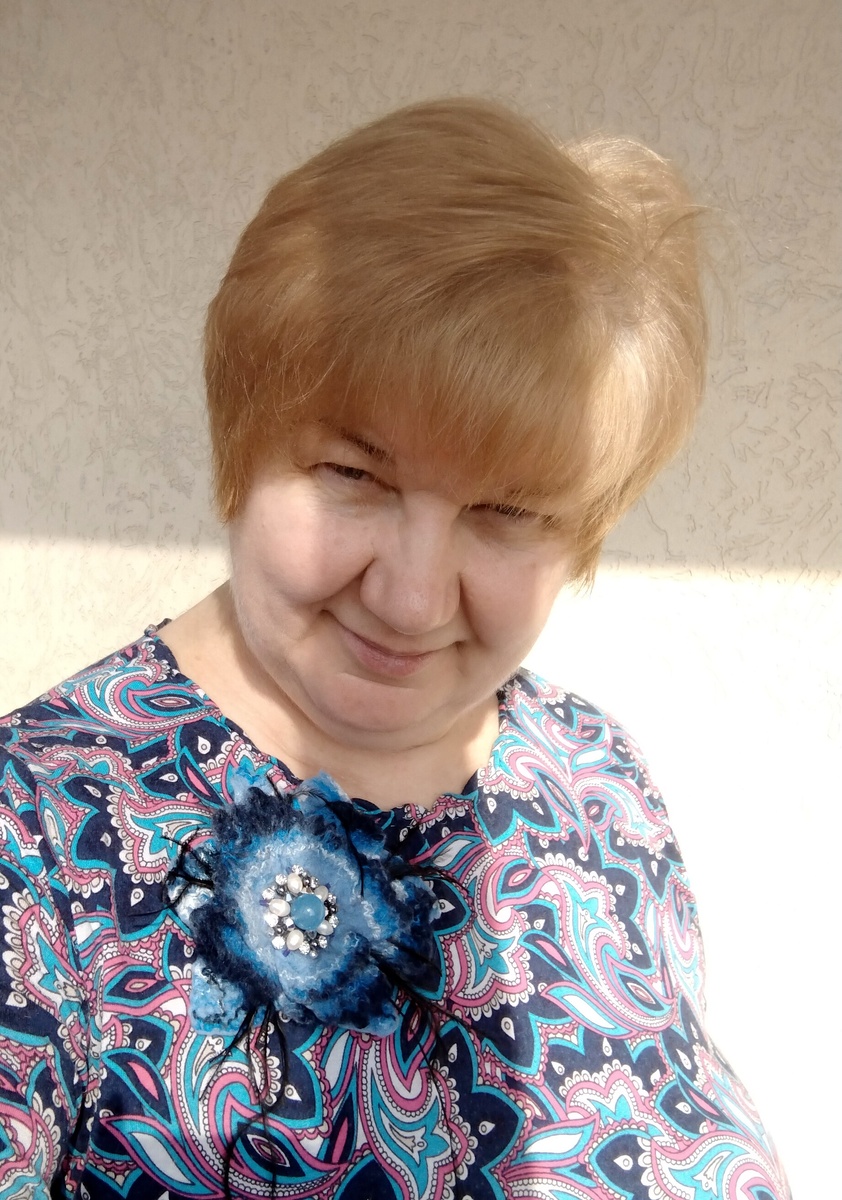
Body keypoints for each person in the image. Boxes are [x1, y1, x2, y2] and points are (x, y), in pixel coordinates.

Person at [0, 98, 789, 1199]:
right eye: (353, 475)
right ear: (240, 440)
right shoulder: (37, 835)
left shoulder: (598, 776)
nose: (413, 600)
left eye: (507, 511)